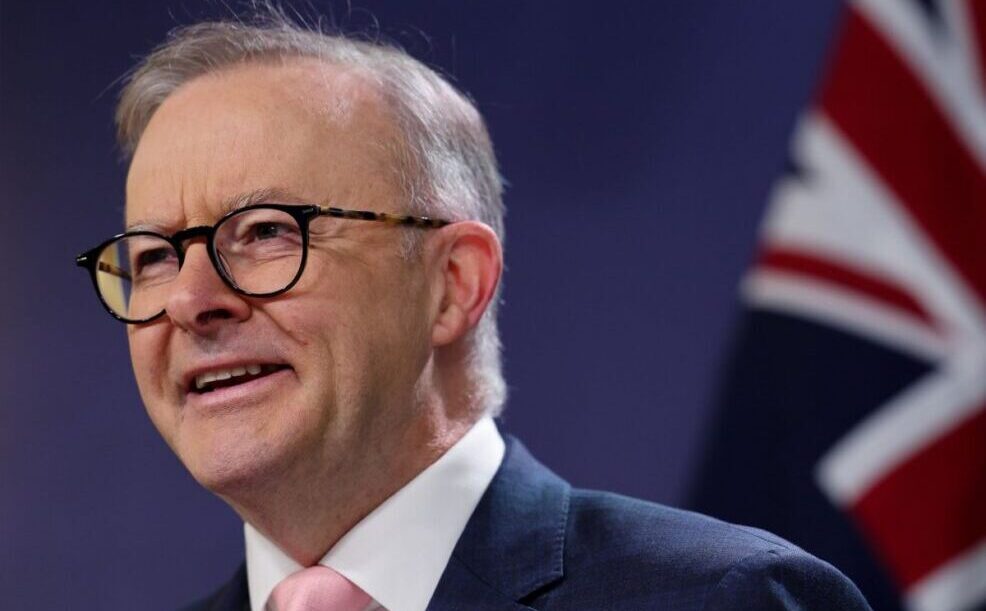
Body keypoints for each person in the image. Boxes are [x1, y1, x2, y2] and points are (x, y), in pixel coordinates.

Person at [75, 8, 872, 611]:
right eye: (152, 256)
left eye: (264, 233)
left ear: (453, 282)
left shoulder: (722, 598)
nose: (189, 299)